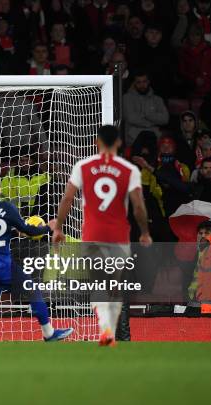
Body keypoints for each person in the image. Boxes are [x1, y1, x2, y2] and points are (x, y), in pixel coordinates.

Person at [49, 125, 151, 346]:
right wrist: (144, 232)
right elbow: (138, 207)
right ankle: (111, 331)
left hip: (92, 234)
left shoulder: (83, 166)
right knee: (114, 285)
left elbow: (67, 199)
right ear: (119, 143)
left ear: (96, 142)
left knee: (97, 284)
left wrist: (58, 227)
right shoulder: (129, 169)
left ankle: (105, 329)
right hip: (118, 236)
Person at [0, 172, 73, 342]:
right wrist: (48, 227)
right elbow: (29, 231)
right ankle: (49, 333)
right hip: (0, 264)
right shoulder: (7, 208)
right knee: (32, 290)